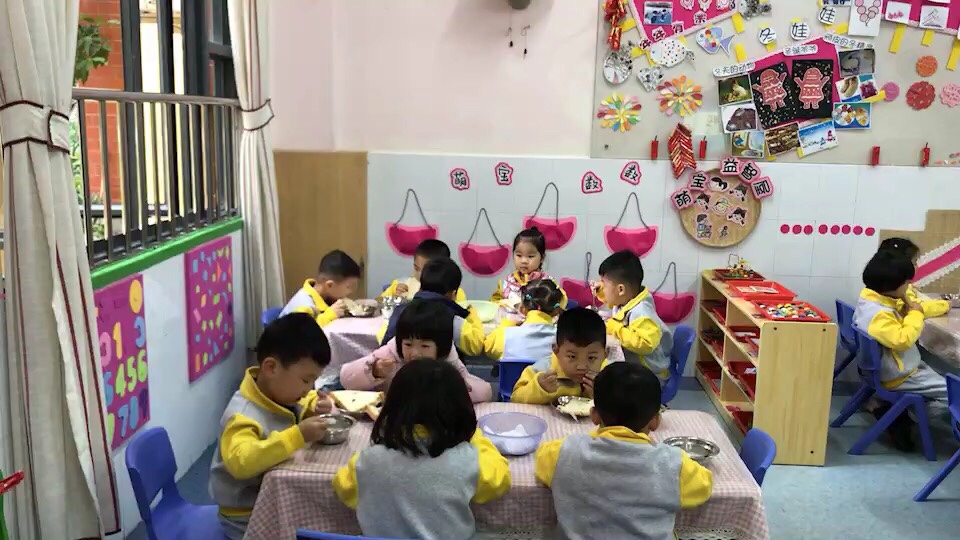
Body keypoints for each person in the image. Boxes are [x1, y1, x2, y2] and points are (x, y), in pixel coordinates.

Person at [333, 360, 511, 540]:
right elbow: (499, 479)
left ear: (392, 406)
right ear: (460, 408)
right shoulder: (467, 460)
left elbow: (344, 488)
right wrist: (476, 436)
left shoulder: (367, 460)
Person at [535, 362, 713, 540]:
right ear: (655, 421)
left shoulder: (564, 451)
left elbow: (542, 459)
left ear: (594, 415)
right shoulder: (673, 464)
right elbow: (704, 486)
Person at [209, 313, 335, 539]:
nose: (308, 389)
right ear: (271, 368)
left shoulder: (278, 392)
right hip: (245, 515)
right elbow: (242, 463)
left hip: (272, 497)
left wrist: (313, 407)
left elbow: (297, 406)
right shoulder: (243, 415)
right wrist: (297, 435)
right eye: (305, 380)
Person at [854, 250, 951, 450]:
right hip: (899, 376)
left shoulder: (875, 300)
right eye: (907, 283)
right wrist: (915, 314)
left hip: (898, 368)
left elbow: (917, 307)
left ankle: (900, 412)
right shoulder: (879, 314)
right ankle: (903, 416)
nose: (909, 287)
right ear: (893, 285)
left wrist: (944, 306)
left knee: (944, 376)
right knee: (954, 396)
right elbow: (903, 340)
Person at [342, 299, 492, 403]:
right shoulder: (391, 355)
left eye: (424, 346)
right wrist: (375, 370)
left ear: (441, 347)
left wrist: (458, 387)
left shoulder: (447, 361)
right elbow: (346, 378)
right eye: (408, 344)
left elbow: (485, 392)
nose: (414, 353)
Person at [378, 257, 485, 356]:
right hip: (438, 370)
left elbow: (384, 337)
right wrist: (472, 315)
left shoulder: (401, 310)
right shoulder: (452, 319)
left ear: (420, 286)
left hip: (400, 369)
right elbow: (475, 346)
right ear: (453, 294)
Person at [598, 250, 673, 384]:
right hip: (638, 368)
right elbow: (616, 303)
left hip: (650, 376)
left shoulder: (641, 312)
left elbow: (646, 344)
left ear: (621, 289)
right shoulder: (628, 300)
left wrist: (616, 328)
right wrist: (601, 292)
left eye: (604, 284)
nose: (602, 287)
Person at [511, 308, 608, 404]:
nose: (581, 366)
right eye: (572, 357)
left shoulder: (607, 375)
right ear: (556, 350)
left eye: (591, 358)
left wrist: (601, 395)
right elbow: (515, 398)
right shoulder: (542, 370)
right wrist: (539, 388)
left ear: (605, 354)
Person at [484, 278, 563, 363]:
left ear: (522, 308)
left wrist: (507, 323)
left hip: (514, 372)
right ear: (556, 311)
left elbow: (489, 347)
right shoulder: (563, 340)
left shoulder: (506, 335)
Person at [490, 227, 567, 309]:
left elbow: (560, 303)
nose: (524, 261)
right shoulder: (508, 281)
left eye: (530, 256)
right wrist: (501, 303)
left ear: (542, 258)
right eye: (519, 255)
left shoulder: (548, 283)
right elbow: (494, 302)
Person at [281, 249, 362, 327]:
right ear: (330, 285)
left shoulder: (326, 297)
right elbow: (303, 332)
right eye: (349, 287)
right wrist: (329, 315)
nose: (351, 291)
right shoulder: (304, 304)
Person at [877, 237, 952, 318]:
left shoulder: (879, 282)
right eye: (915, 263)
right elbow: (913, 307)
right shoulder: (897, 289)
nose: (917, 267)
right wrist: (945, 305)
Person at [380, 239, 467, 301]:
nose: (417, 274)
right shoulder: (401, 284)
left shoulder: (454, 292)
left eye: (425, 271)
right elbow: (378, 301)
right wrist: (394, 294)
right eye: (416, 268)